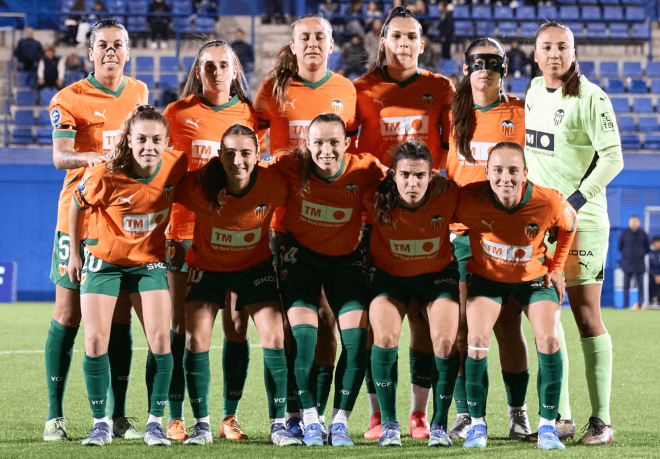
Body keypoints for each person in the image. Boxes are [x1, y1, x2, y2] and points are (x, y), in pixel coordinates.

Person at [352, 7, 454, 441]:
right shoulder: (362, 89)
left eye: (412, 36)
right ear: (384, 40)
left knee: (424, 325)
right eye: (397, 36)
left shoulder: (440, 87)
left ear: (422, 43)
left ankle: (418, 414)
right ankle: (378, 416)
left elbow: (451, 147)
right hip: (377, 213)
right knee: (379, 325)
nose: (405, 43)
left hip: (425, 208)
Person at [254, 15, 358, 439]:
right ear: (293, 45)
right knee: (289, 326)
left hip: (333, 227)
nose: (312, 43)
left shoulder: (347, 91)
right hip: (285, 226)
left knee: (329, 323)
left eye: (319, 36)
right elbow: (248, 144)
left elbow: (354, 154)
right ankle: (288, 415)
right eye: (304, 37)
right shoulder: (272, 90)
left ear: (331, 44)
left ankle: (315, 413)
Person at [45, 19, 148, 443]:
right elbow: (60, 156)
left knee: (119, 315)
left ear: (128, 52)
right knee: (68, 315)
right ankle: (55, 416)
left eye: (118, 45)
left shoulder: (139, 93)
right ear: (90, 53)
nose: (110, 52)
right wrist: (106, 154)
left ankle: (120, 416)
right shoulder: (69, 98)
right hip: (78, 216)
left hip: (120, 221)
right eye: (102, 45)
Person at [524, 21, 624, 444]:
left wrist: (574, 203)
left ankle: (600, 421)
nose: (554, 54)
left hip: (581, 222)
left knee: (585, 315)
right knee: (548, 317)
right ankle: (559, 418)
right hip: (541, 226)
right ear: (535, 54)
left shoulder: (591, 97)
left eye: (562, 47)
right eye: (546, 47)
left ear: (574, 51)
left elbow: (613, 157)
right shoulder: (531, 90)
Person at [67, 105, 188, 447]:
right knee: (94, 342)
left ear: (167, 141)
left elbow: (190, 195)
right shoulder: (104, 173)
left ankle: (154, 424)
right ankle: (101, 424)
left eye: (156, 140)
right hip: (104, 260)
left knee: (161, 342)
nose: (149, 146)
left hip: (148, 262)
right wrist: (75, 253)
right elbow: (77, 205)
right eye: (142, 139)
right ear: (128, 140)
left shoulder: (176, 165)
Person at [173, 125, 298, 446]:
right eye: (230, 153)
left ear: (258, 156)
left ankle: (278, 425)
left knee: (274, 334)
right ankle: (201, 426)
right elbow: (161, 185)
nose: (238, 160)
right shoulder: (200, 185)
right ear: (219, 156)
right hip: (208, 270)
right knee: (195, 338)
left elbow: (308, 186)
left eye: (245, 153)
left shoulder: (273, 182)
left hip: (253, 270)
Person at [267, 113, 385, 446]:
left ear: (347, 143)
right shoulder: (288, 165)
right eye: (318, 142)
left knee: (355, 341)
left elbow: (406, 181)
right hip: (301, 259)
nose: (326, 150)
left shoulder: (366, 169)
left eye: (334, 142)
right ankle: (308, 419)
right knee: (304, 339)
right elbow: (246, 175)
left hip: (345, 262)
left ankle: (339, 422)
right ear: (308, 143)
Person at [161, 39, 258, 442]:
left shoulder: (251, 115)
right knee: (180, 328)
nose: (216, 72)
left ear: (235, 70)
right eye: (209, 66)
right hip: (183, 235)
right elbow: (164, 175)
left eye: (224, 65)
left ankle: (229, 416)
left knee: (237, 326)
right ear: (198, 72)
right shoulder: (176, 113)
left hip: (237, 238)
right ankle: (177, 414)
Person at [444, 37, 539, 443]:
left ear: (504, 68)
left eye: (493, 62)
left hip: (510, 235)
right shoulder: (452, 115)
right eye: (476, 62)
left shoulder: (521, 112)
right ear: (465, 68)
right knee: (465, 327)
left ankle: (518, 414)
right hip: (465, 237)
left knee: (508, 328)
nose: (484, 68)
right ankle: (467, 413)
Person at [454, 142, 577, 450]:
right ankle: (477, 426)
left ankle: (547, 427)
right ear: (487, 172)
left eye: (512, 170)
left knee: (549, 339)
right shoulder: (469, 199)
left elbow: (570, 224)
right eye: (497, 170)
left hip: (534, 279)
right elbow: (450, 228)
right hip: (487, 280)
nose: (505, 177)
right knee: (477, 341)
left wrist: (558, 267)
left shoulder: (547, 201)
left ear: (525, 173)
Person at [364, 141, 460, 447]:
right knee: (385, 337)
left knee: (445, 341)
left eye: (420, 175)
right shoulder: (374, 195)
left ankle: (438, 424)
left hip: (437, 279)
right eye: (406, 174)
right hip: (390, 280)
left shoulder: (450, 194)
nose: (412, 182)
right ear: (394, 174)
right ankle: (388, 423)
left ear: (432, 176)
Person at [618, 215, 650, 309]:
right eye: (632, 221)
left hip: (640, 264)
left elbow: (647, 248)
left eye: (635, 221)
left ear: (639, 222)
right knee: (626, 286)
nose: (634, 223)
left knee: (641, 286)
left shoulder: (643, 233)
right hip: (627, 264)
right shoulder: (624, 233)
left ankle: (640, 305)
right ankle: (625, 305)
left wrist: (640, 254)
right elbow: (620, 247)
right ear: (629, 222)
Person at [649, 237, 660, 305]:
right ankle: (653, 298)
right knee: (650, 281)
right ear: (654, 243)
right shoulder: (648, 252)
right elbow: (648, 266)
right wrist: (654, 275)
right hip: (651, 274)